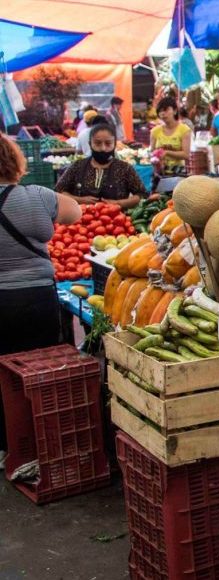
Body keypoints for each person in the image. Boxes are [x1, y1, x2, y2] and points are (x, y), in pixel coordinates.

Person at [0, 137, 82, 462]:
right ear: (14, 161)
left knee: (4, 374)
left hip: (1, 302)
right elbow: (74, 212)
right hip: (38, 297)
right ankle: (46, 441)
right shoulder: (37, 195)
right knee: (43, 369)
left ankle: (10, 445)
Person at [56, 125, 147, 209]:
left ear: (114, 144)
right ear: (90, 144)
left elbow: (140, 194)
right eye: (98, 143)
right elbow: (59, 190)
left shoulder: (125, 168)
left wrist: (118, 203)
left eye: (108, 143)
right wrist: (79, 200)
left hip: (116, 222)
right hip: (81, 221)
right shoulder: (77, 166)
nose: (103, 148)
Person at [150, 98, 192, 176]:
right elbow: (152, 153)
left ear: (175, 111)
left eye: (166, 110)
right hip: (159, 173)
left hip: (178, 173)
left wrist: (167, 153)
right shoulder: (154, 131)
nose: (162, 113)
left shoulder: (184, 130)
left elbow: (186, 155)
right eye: (160, 111)